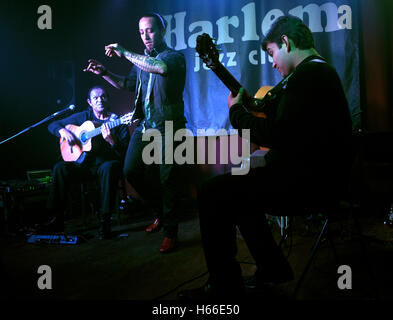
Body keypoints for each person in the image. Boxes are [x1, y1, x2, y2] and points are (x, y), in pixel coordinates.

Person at [178, 15, 353, 299]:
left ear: (286, 42)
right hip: (317, 180)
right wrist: (242, 99)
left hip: (311, 185)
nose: (272, 63)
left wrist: (235, 113)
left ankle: (224, 286)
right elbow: (266, 108)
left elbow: (274, 133)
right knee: (241, 190)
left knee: (212, 192)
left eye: (272, 53)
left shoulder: (310, 75)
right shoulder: (313, 74)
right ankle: (272, 269)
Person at [83, 13, 187, 253]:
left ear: (162, 30)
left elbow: (159, 67)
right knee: (131, 170)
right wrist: (104, 72)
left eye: (150, 30)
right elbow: (126, 85)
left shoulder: (174, 57)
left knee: (167, 178)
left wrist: (126, 52)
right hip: (145, 125)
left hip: (169, 125)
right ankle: (161, 213)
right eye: (141, 32)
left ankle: (171, 233)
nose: (145, 36)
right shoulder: (140, 62)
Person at [44, 86, 130, 239]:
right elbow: (52, 125)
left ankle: (105, 221)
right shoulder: (84, 116)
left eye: (103, 97)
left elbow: (124, 153)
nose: (100, 100)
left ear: (108, 99)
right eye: (95, 98)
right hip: (82, 165)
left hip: (104, 165)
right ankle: (56, 219)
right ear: (89, 102)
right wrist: (63, 131)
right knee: (60, 168)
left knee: (109, 167)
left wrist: (112, 141)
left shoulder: (118, 121)